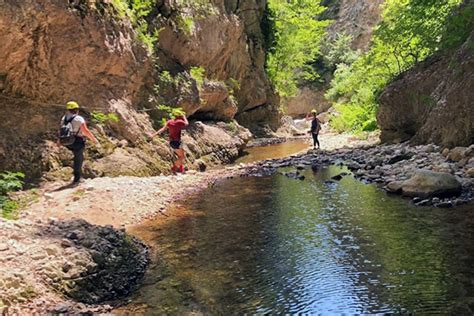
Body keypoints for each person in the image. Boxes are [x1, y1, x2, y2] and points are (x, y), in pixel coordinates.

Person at [58, 101, 100, 185]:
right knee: (78, 159)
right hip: (77, 140)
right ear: (76, 109)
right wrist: (94, 139)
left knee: (76, 157)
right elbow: (85, 131)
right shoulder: (79, 118)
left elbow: (61, 130)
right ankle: (77, 179)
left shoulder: (64, 118)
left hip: (67, 140)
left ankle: (76, 176)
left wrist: (58, 141)